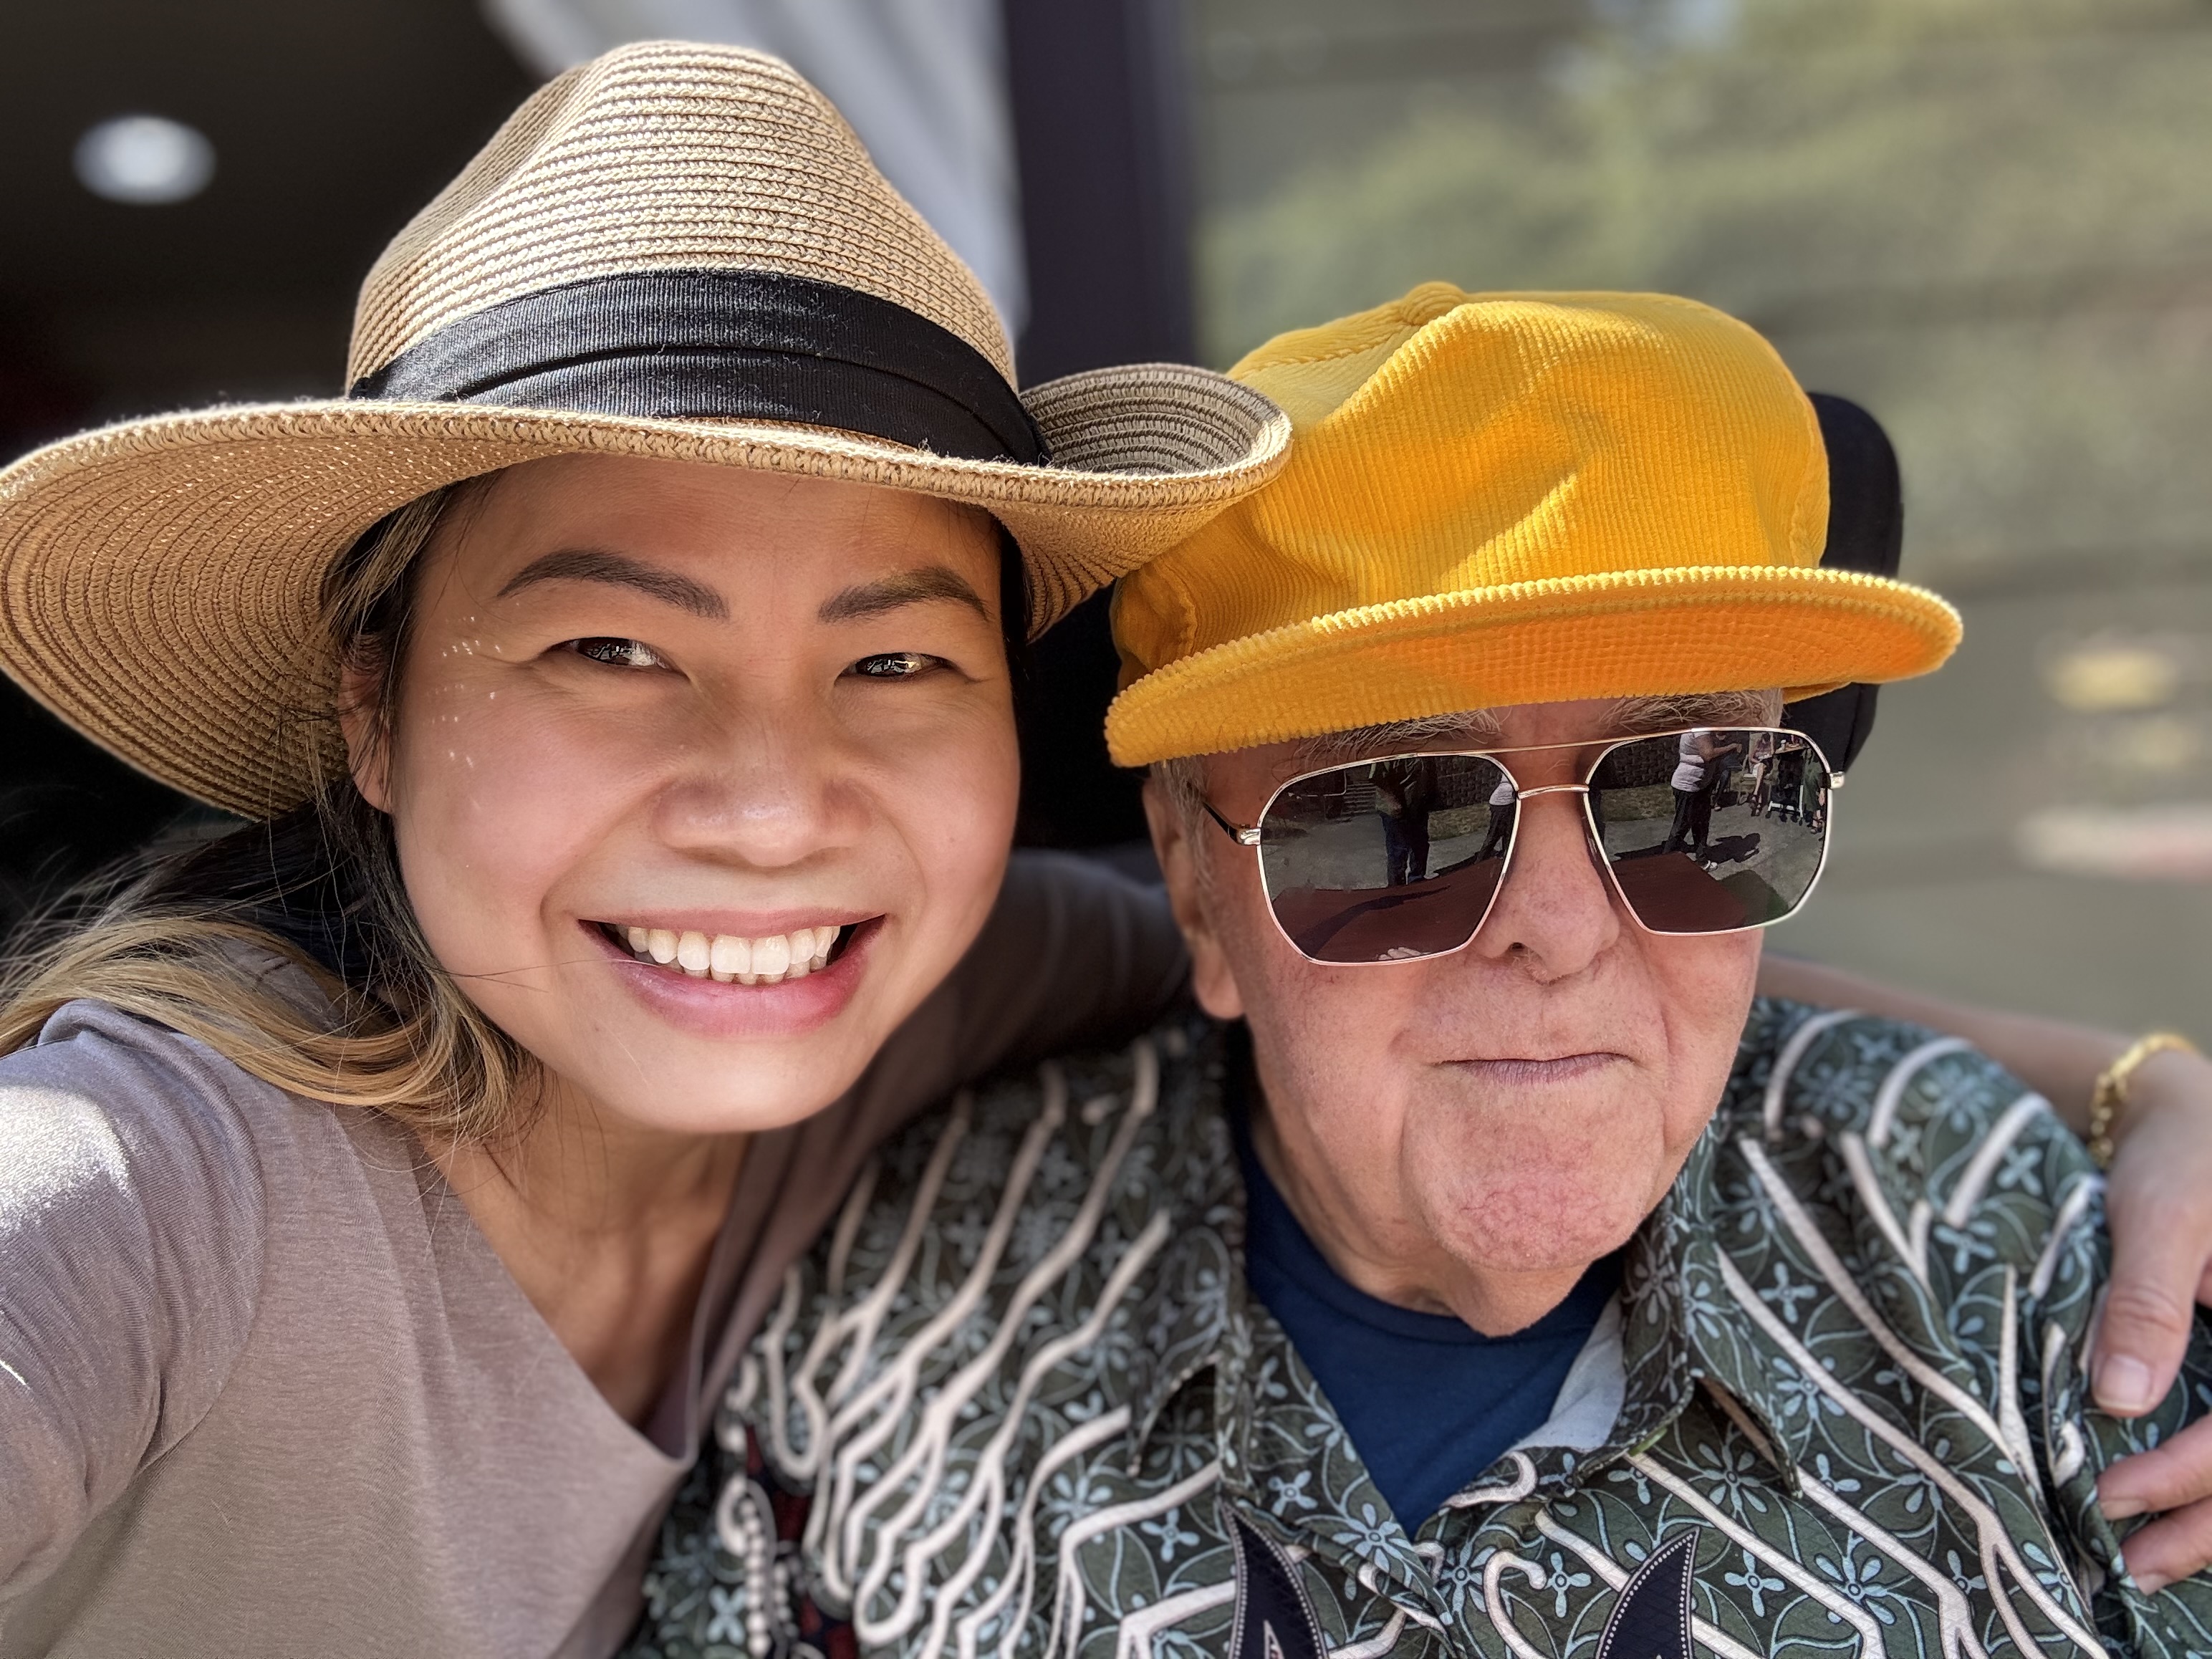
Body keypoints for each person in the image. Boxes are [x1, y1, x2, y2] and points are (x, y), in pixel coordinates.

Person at [640, 288, 2212, 1658]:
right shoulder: (911, 1312)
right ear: (1193, 882)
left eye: (1689, 799)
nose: (1563, 927)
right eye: (1391, 817)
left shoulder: (2000, 1249)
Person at [0, 44, 1292, 1656]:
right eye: (610, 650)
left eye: (893, 663)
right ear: (374, 711)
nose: (769, 814)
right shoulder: (163, 1180)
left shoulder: (971, 980)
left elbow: (1323, 968)